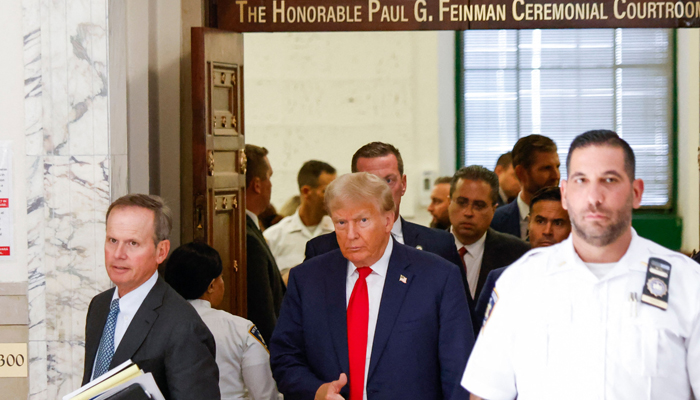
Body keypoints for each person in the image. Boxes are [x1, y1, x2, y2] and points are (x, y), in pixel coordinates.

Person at [463, 130, 700, 400]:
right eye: (581, 181)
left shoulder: (686, 281)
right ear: (565, 193)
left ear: (636, 192)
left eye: (609, 180)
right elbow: (486, 393)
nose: (594, 197)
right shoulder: (521, 282)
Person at [270, 172, 474, 400]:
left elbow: (458, 371)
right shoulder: (308, 279)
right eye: (341, 222)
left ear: (388, 220)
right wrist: (317, 391)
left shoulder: (438, 277)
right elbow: (284, 356)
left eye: (362, 221)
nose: (351, 235)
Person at [81, 194, 220, 399]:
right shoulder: (100, 306)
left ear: (161, 251)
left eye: (133, 243)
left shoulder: (183, 326)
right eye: (112, 240)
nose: (118, 254)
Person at [304, 142, 466, 300]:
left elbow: (460, 317)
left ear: (403, 184)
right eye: (370, 183)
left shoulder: (439, 245)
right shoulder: (321, 250)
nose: (381, 192)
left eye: (389, 181)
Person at [165, 242, 280, 400]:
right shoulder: (239, 329)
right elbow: (264, 395)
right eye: (222, 278)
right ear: (211, 286)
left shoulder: (157, 327)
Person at [472, 186, 571, 333]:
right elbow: (479, 338)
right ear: (529, 224)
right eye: (540, 221)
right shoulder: (501, 279)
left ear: (573, 228)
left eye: (558, 223)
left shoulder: (584, 280)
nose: (547, 231)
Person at [448, 166, 530, 304]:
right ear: (449, 202)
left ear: (493, 210)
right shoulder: (426, 250)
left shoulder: (517, 255)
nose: (468, 212)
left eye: (479, 205)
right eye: (462, 203)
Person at [264, 160, 337, 282]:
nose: (333, 197)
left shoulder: (340, 232)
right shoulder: (274, 237)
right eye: (326, 191)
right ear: (306, 191)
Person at [244, 144, 286, 344]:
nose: (271, 184)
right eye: (269, 177)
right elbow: (262, 313)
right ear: (257, 185)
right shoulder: (248, 239)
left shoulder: (250, 229)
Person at [490, 135, 560, 240]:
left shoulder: (572, 219)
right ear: (521, 173)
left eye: (557, 167)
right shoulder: (494, 222)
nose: (556, 175)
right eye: (546, 168)